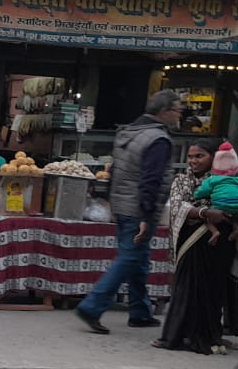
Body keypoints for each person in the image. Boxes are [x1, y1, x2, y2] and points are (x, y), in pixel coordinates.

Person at [74, 90, 182, 334]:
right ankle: (92, 306)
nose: (179, 115)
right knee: (129, 258)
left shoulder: (129, 132)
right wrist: (147, 214)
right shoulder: (158, 139)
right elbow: (151, 180)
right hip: (138, 208)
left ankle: (140, 311)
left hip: (123, 204)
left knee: (138, 259)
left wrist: (113, 203)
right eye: (177, 110)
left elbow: (115, 170)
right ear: (163, 112)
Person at [154, 139, 238, 354]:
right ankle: (177, 336)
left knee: (214, 290)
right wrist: (205, 213)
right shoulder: (181, 180)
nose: (193, 161)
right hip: (193, 240)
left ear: (214, 157)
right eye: (190, 156)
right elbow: (177, 207)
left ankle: (211, 336)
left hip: (222, 242)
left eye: (199, 156)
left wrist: (230, 212)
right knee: (188, 287)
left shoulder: (230, 178)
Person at [192, 142, 238, 245]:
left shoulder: (212, 180)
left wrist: (196, 195)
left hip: (219, 206)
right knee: (233, 217)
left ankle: (215, 232)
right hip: (237, 207)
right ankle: (236, 228)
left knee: (207, 219)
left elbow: (202, 191)